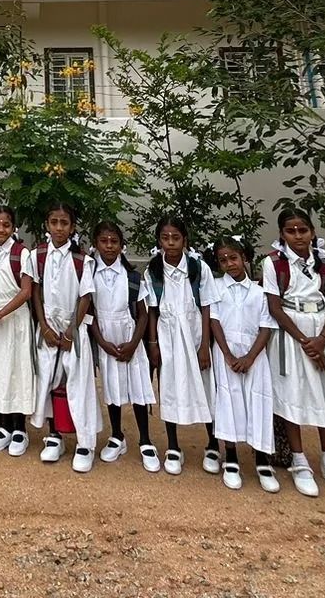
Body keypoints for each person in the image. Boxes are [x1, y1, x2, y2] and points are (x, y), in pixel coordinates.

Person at [262, 211, 325, 497]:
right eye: (291, 231)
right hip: (293, 334)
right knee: (292, 393)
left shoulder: (324, 264)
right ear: (282, 234)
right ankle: (299, 459)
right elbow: (275, 307)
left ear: (312, 231)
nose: (298, 235)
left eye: (303, 230)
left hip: (321, 331)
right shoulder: (273, 264)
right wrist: (306, 342)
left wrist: (322, 340)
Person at [141, 214, 212, 477]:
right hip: (167, 335)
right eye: (165, 238)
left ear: (185, 240)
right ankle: (173, 446)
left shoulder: (197, 268)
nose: (170, 243)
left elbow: (206, 307)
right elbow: (152, 311)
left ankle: (213, 443)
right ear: (159, 240)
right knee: (168, 386)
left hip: (193, 334)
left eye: (176, 238)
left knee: (205, 386)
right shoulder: (153, 270)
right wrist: (153, 344)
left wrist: (205, 345)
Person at [31, 202, 99, 474]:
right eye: (54, 222)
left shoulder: (82, 260)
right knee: (48, 380)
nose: (59, 228)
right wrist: (44, 326)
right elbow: (35, 291)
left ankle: (85, 443)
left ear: (72, 227)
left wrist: (72, 330)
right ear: (47, 224)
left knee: (78, 385)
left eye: (64, 223)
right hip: (48, 327)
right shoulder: (37, 255)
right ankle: (54, 436)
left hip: (74, 330)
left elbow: (86, 296)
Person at [209, 238, 278, 492]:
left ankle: (261, 459)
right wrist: (227, 354)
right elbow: (214, 322)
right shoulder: (216, 289)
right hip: (226, 354)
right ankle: (231, 458)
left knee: (257, 400)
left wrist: (250, 357)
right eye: (223, 260)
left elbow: (266, 326)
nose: (229, 264)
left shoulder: (259, 292)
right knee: (228, 401)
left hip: (254, 355)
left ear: (244, 258)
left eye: (233, 258)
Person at [89, 221, 153, 470]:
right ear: (96, 244)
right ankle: (117, 436)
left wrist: (134, 343)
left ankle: (145, 440)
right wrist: (102, 342)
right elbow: (90, 311)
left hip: (129, 338)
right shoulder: (90, 275)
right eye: (104, 241)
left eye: (114, 241)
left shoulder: (132, 277)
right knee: (112, 389)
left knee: (137, 389)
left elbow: (143, 313)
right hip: (106, 338)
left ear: (121, 245)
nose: (109, 246)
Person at [0, 204, 36, 456]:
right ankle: (2, 429)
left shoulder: (22, 253)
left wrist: (1, 312)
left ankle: (19, 430)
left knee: (17, 373)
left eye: (5, 225)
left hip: (15, 322)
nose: (0, 229)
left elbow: (26, 291)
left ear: (13, 227)